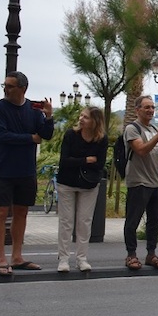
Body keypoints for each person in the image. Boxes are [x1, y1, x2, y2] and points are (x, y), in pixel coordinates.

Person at [0, 71, 55, 276]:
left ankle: (17, 257)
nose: (6, 89)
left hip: (26, 170)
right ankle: (1, 259)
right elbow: (2, 135)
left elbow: (46, 135)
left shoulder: (33, 110)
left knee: (22, 212)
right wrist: (30, 138)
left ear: (23, 88)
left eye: (10, 86)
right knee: (0, 213)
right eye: (5, 85)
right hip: (3, 168)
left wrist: (49, 116)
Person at [123, 95, 158, 270]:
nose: (151, 110)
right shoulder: (132, 128)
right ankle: (131, 255)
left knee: (154, 221)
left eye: (152, 107)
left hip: (156, 181)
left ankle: (151, 253)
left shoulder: (153, 128)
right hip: (139, 181)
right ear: (137, 110)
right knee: (133, 220)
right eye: (147, 107)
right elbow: (141, 150)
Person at [55, 107, 108, 272]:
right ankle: (63, 259)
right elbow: (64, 161)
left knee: (84, 222)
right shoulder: (71, 135)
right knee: (66, 222)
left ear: (95, 121)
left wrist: (78, 161)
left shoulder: (101, 139)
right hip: (67, 183)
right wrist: (86, 160)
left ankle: (82, 258)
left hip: (89, 185)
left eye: (85, 117)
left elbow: (100, 163)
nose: (81, 119)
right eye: (81, 116)